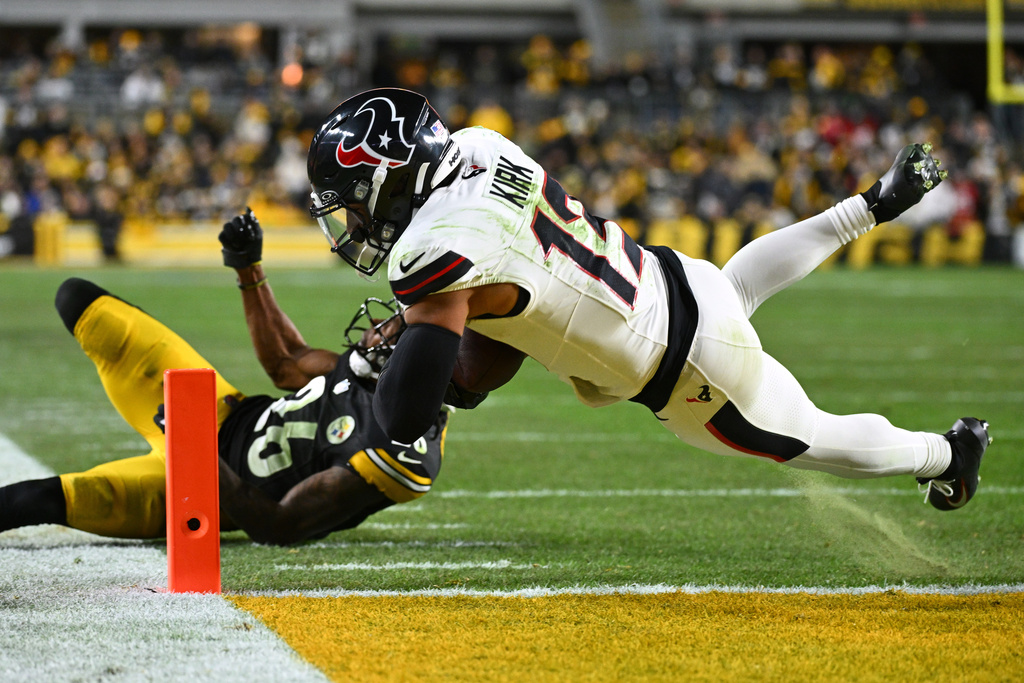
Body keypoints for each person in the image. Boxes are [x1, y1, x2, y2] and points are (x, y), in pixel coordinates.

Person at [305, 87, 991, 512]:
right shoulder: (479, 146)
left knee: (809, 438)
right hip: (673, 279)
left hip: (687, 368)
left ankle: (946, 454)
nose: (355, 227)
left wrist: (388, 370)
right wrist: (440, 346)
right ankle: (872, 205)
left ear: (386, 180)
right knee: (735, 287)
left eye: (352, 209)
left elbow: (403, 415)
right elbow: (497, 336)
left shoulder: (432, 249)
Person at [0, 210, 447, 545]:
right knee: (79, 300)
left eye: (393, 328)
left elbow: (277, 525)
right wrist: (247, 267)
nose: (376, 330)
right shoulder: (368, 374)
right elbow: (287, 362)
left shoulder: (397, 455)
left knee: (35, 500)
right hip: (214, 407)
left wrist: (193, 449)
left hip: (201, 487)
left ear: (415, 358)